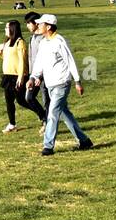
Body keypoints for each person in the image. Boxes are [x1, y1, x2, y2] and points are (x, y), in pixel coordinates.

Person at [27, 13, 93, 156]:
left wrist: (77, 81)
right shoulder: (43, 42)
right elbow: (39, 63)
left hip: (62, 84)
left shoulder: (60, 41)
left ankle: (48, 146)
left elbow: (70, 61)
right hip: (50, 85)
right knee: (65, 114)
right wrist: (33, 77)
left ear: (49, 26)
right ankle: (84, 141)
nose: (38, 25)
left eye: (40, 23)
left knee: (52, 113)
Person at [0, 19, 45, 133]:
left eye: (7, 27)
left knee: (22, 100)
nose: (5, 29)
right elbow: (7, 59)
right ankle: (12, 124)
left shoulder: (20, 42)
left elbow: (22, 61)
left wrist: (20, 77)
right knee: (9, 101)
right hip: (7, 76)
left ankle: (43, 115)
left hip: (17, 76)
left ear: (13, 29)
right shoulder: (7, 42)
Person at [23, 12, 49, 119]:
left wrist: (41, 75)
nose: (27, 26)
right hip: (33, 75)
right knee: (29, 97)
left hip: (43, 76)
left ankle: (47, 123)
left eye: (29, 23)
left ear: (36, 23)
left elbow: (45, 59)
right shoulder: (32, 37)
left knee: (46, 101)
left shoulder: (43, 39)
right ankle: (44, 117)